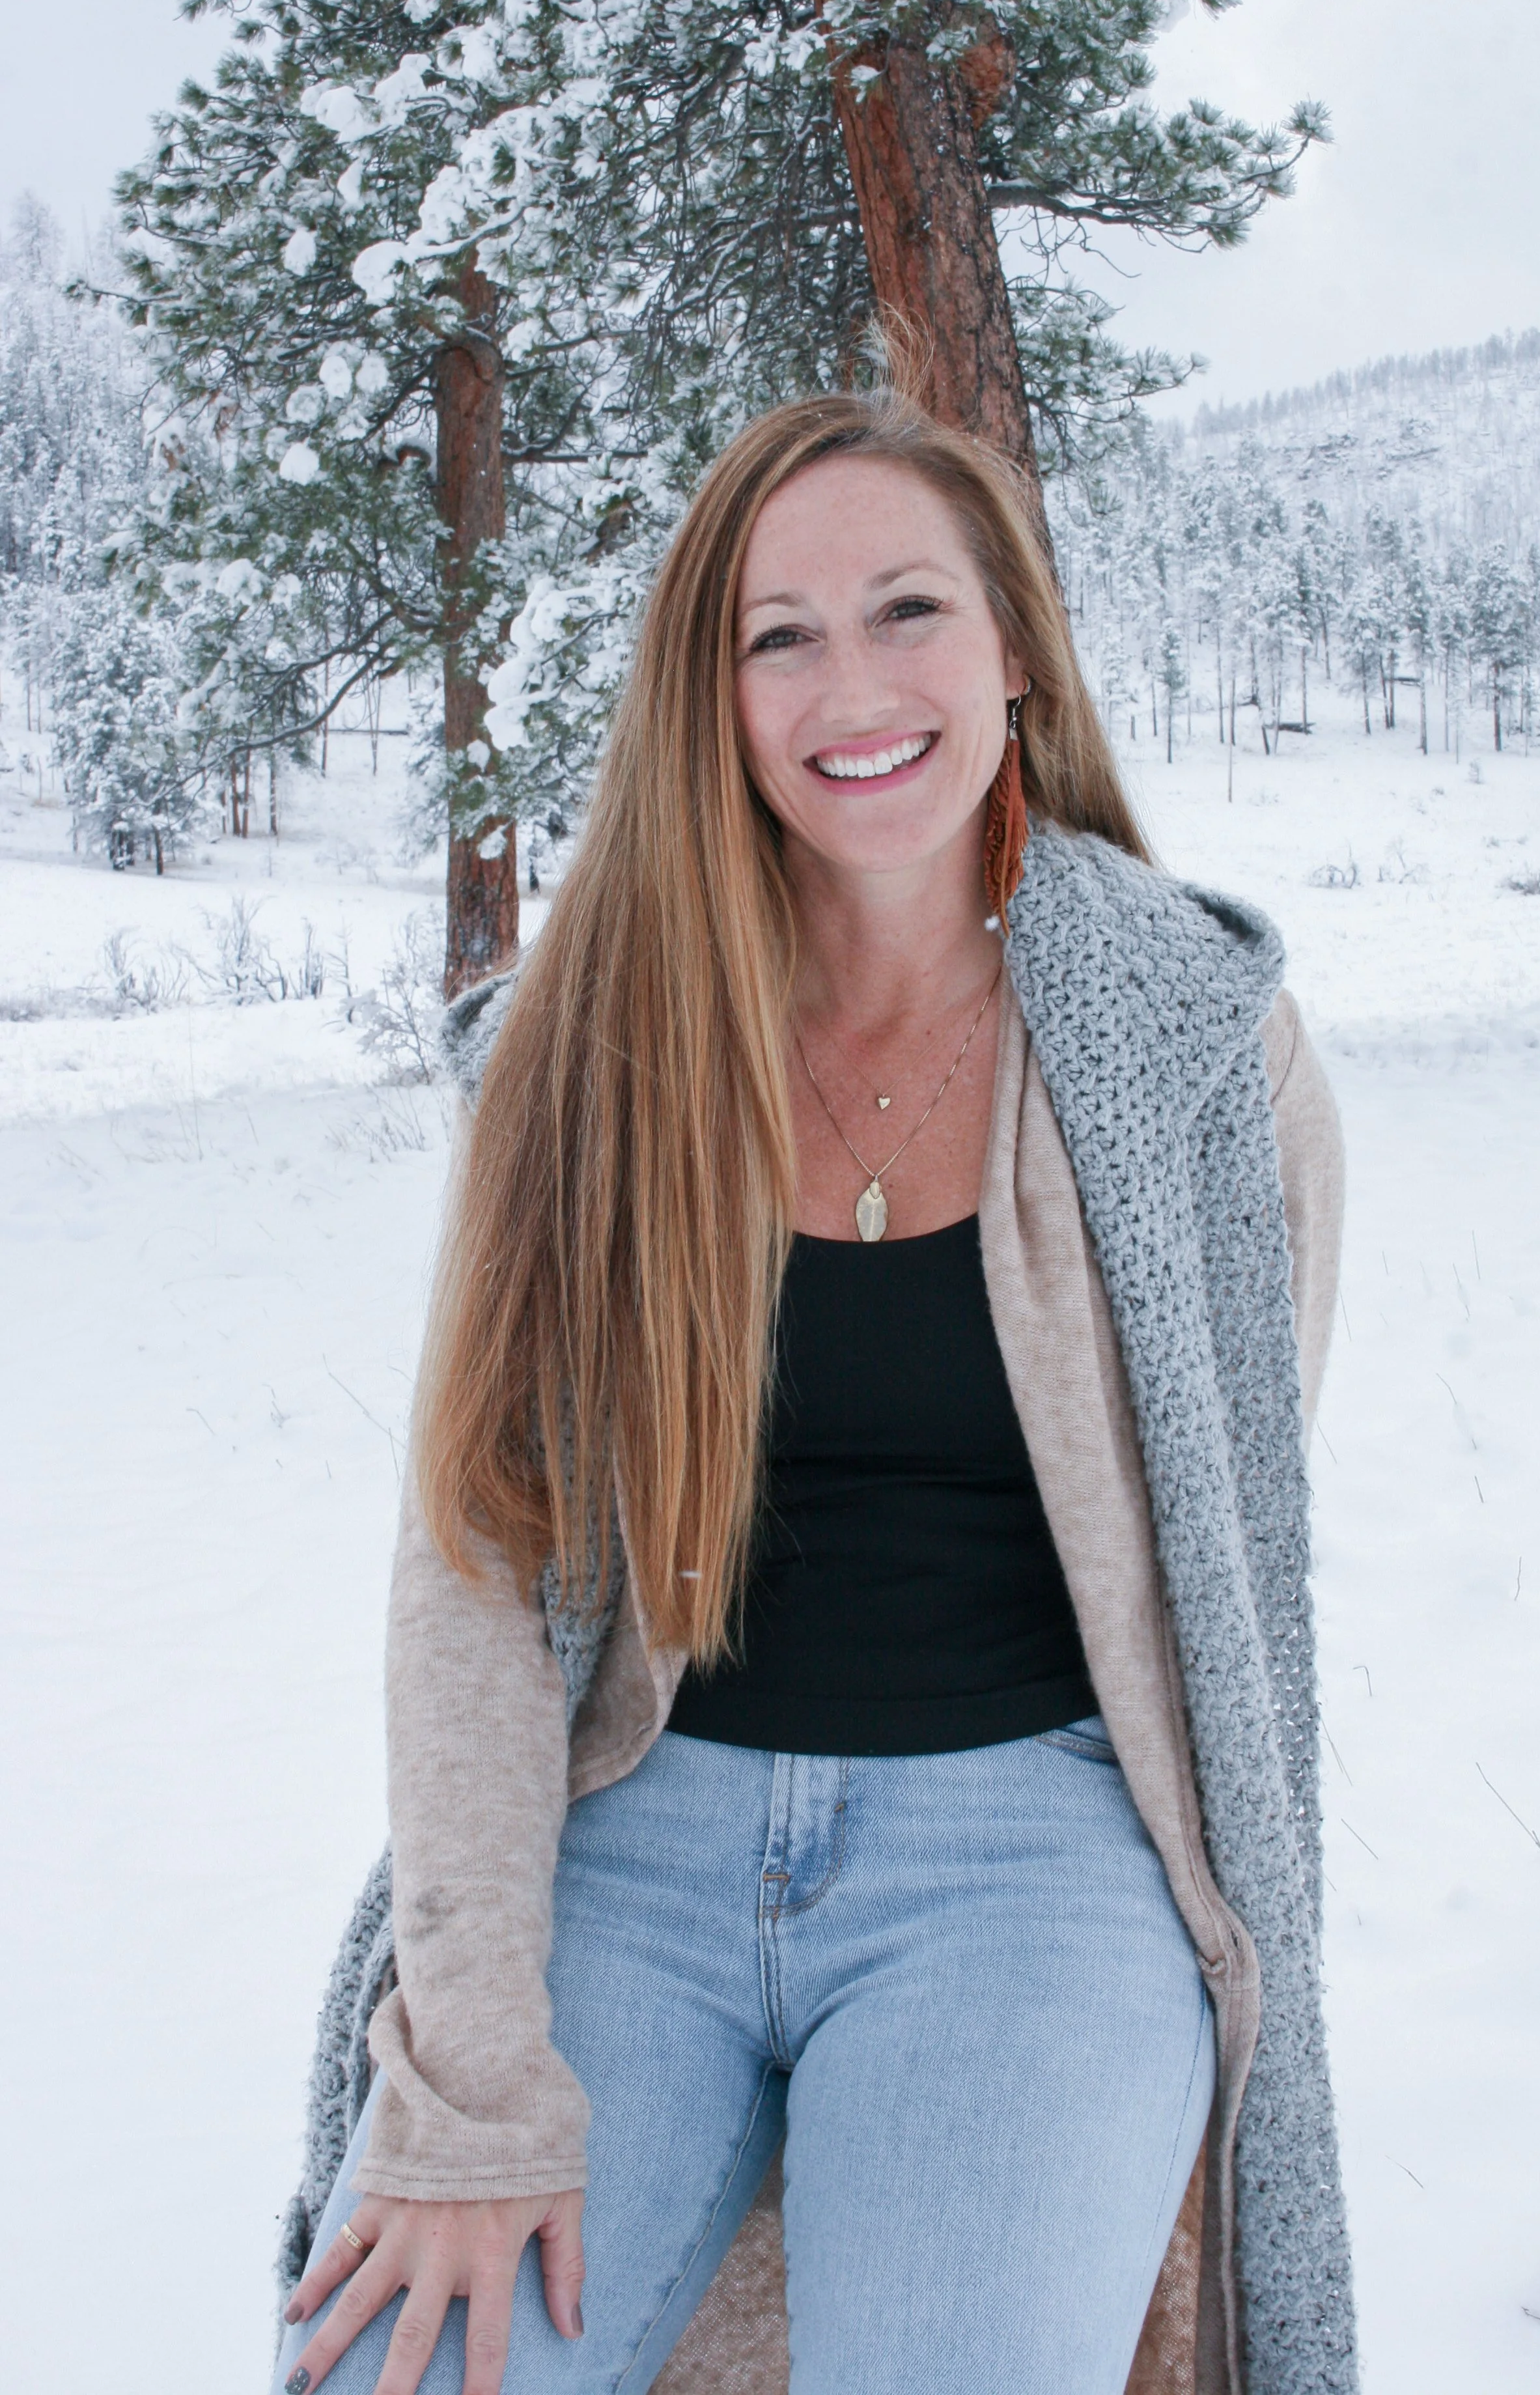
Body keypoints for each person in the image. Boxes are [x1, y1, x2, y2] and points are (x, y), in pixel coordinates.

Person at [275, 389, 1357, 2395]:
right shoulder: (591, 1043)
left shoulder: (1201, 1045)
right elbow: (482, 1560)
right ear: (716, 689)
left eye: (908, 609)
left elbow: (1228, 1537)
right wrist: (474, 2077)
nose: (849, 682)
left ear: (1015, 648)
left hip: (1027, 1860)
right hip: (641, 1836)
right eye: (779, 632)